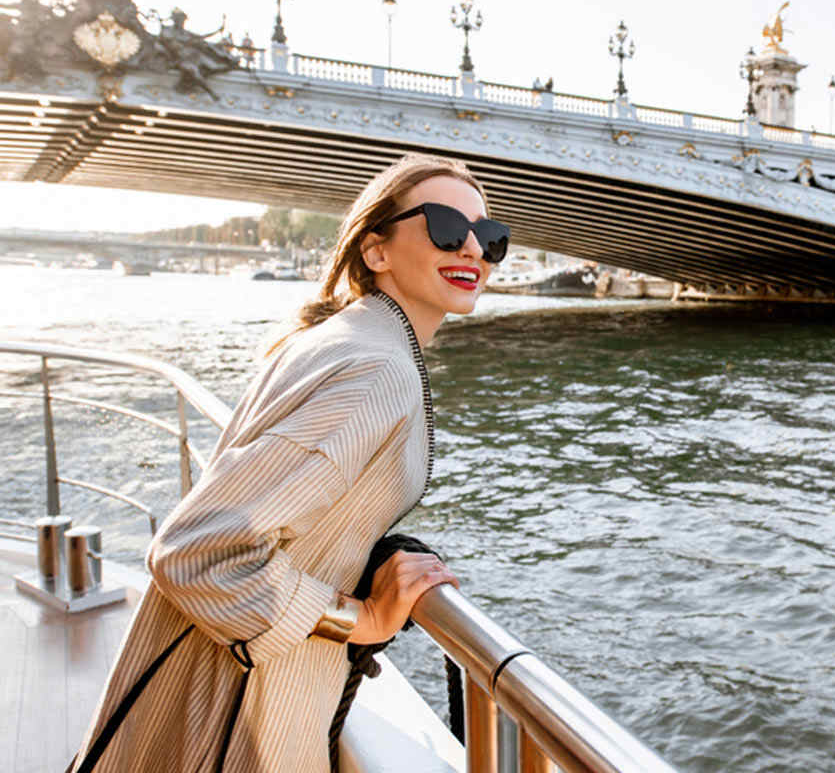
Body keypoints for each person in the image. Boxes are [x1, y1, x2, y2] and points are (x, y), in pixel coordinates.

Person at [70, 152, 511, 772]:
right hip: (243, 714)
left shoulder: (343, 337)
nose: (472, 250)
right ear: (375, 250)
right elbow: (200, 549)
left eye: (491, 239)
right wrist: (359, 618)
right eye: (445, 226)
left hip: (208, 673)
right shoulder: (377, 369)